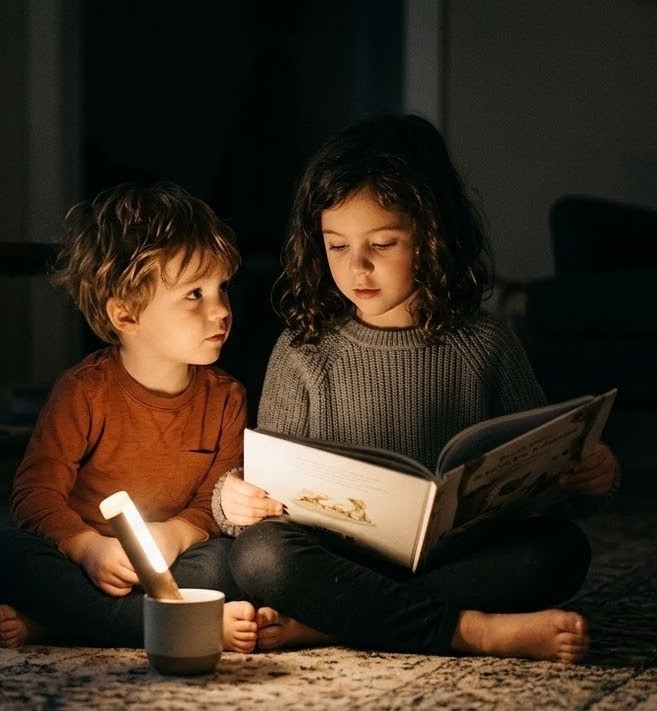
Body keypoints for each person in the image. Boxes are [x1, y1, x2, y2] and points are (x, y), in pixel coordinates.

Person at [213, 114, 620, 663]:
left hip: (452, 557)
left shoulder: (483, 343)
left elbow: (544, 484)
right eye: (336, 246)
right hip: (340, 559)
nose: (357, 267)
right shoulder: (303, 348)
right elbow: (270, 490)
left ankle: (330, 621)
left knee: (559, 553)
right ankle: (470, 631)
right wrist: (234, 501)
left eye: (382, 243)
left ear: (433, 237)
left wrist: (589, 474)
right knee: (261, 557)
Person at [0, 181, 258, 654]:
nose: (221, 310)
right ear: (125, 315)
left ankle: (63, 622)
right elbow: (35, 493)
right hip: (87, 558)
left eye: (222, 288)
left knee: (231, 564)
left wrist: (175, 534)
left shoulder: (226, 398)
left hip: (175, 560)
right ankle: (182, 626)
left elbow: (215, 500)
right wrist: (86, 548)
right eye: (194, 295)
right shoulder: (85, 391)